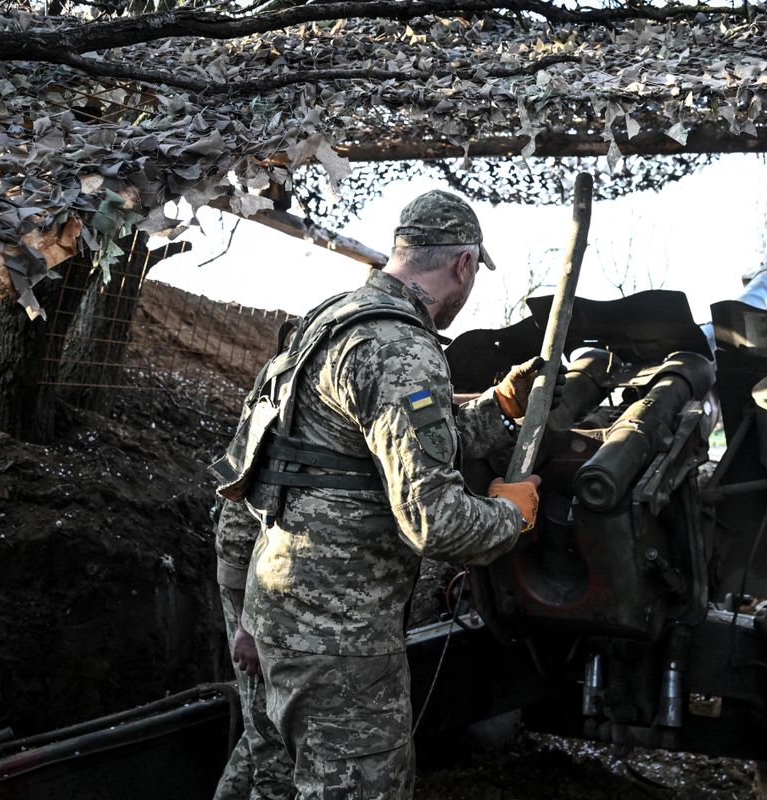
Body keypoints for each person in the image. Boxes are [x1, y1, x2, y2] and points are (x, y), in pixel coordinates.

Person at [223, 190, 548, 798]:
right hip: (341, 641)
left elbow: (313, 464)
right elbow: (438, 523)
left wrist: (499, 408)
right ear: (463, 264)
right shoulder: (402, 347)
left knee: (267, 780)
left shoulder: (330, 321)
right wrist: (512, 514)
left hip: (275, 612)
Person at [211, 499, 294, 800]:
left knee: (265, 730)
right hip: (258, 589)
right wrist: (248, 623)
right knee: (273, 742)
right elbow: (236, 530)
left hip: (278, 589)